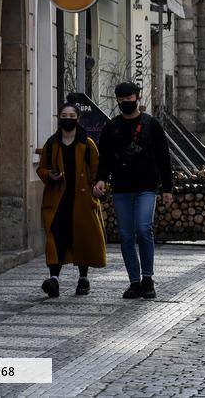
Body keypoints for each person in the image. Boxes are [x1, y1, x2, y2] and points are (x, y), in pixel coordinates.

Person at [95, 82, 173, 300]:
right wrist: (101, 179)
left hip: (147, 187)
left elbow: (163, 158)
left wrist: (167, 188)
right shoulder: (111, 128)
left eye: (129, 98)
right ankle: (134, 282)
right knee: (127, 236)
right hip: (121, 189)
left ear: (137, 98)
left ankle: (148, 277)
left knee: (143, 228)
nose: (125, 103)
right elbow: (105, 159)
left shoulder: (151, 125)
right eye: (121, 100)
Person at [35, 101, 107, 298]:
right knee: (56, 237)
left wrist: (98, 188)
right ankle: (54, 279)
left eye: (71, 116)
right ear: (59, 118)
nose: (68, 119)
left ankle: (83, 278)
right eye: (64, 116)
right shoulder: (52, 143)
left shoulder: (88, 144)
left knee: (82, 238)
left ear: (77, 119)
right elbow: (41, 169)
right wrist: (51, 175)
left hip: (82, 199)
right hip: (57, 200)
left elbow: (96, 170)